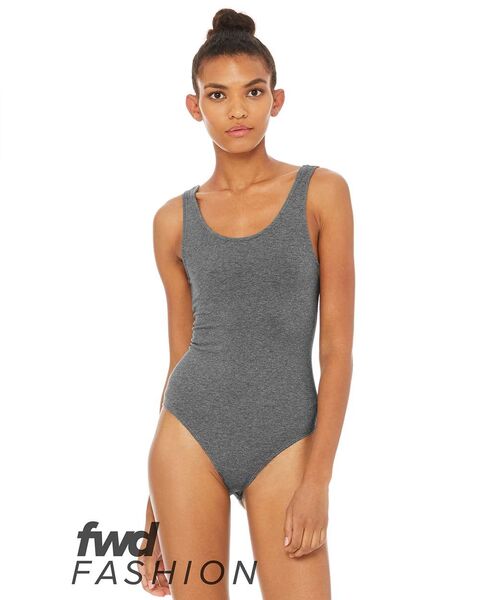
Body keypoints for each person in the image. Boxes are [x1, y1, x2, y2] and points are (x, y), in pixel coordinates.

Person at [140, 8, 354, 599]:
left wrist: (318, 481)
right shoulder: (172, 221)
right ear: (195, 106)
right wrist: (152, 515)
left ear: (276, 100)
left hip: (287, 439)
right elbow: (178, 356)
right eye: (218, 95)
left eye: (253, 92)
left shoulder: (322, 193)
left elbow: (337, 352)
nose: (237, 110)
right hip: (187, 435)